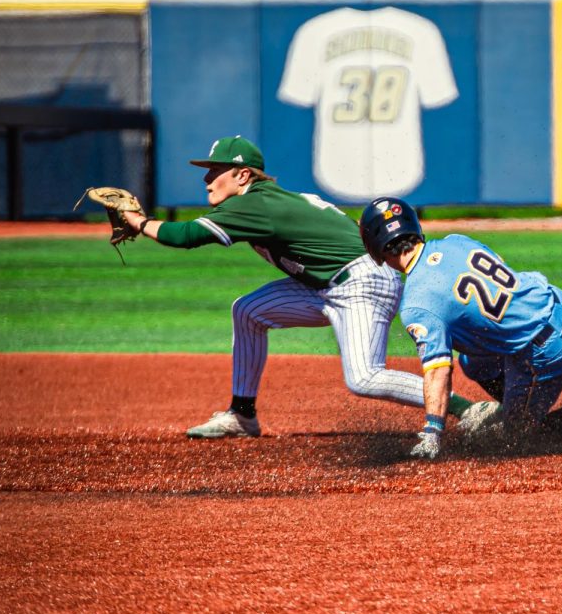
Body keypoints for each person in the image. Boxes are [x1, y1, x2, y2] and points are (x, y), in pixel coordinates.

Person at [118, 135, 479, 438]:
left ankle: (468, 409)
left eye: (216, 170)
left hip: (361, 281)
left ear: (243, 175)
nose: (207, 178)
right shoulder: (268, 200)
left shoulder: (253, 203)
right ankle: (242, 415)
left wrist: (139, 221)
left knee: (365, 378)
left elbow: (185, 235)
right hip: (328, 286)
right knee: (247, 311)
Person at [359, 196, 562, 460]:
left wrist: (432, 432)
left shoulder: (417, 304)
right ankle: (521, 404)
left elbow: (438, 370)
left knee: (519, 437)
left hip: (547, 349)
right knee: (471, 361)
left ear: (376, 248)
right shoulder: (455, 242)